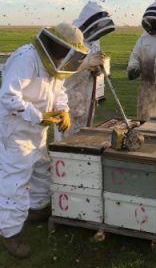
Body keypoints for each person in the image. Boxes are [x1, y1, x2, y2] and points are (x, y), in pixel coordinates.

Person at [0, 23, 89, 258]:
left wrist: (63, 109)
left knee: (41, 167)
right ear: (57, 45)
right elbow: (8, 96)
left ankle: (37, 209)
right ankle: (8, 232)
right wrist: (38, 116)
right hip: (16, 131)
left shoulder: (54, 64)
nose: (67, 58)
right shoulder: (26, 58)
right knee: (15, 180)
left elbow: (58, 91)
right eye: (67, 52)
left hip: (37, 130)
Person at [54, 1, 115, 140]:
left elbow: (94, 61)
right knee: (65, 136)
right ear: (88, 22)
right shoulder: (70, 36)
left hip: (87, 93)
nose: (96, 30)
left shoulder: (95, 40)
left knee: (84, 134)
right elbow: (61, 68)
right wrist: (88, 62)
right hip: (67, 94)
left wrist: (98, 69)